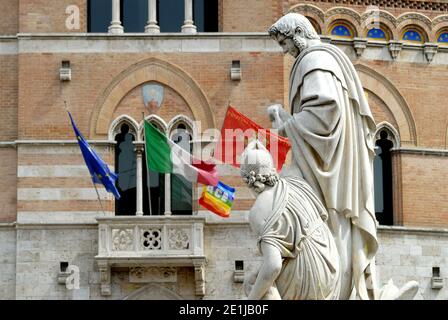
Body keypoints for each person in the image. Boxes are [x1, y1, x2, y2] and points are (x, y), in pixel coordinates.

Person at [267, 12, 378, 299]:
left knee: (332, 235)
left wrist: (286, 123)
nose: (285, 51)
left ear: (298, 35)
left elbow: (325, 115)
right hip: (331, 166)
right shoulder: (324, 60)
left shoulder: (314, 61)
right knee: (335, 236)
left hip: (329, 171)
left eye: (285, 43)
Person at [241, 140, 340, 300]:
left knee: (254, 285)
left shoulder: (259, 210)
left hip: (309, 280)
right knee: (255, 277)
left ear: (247, 180)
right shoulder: (294, 181)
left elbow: (273, 265)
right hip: (331, 267)